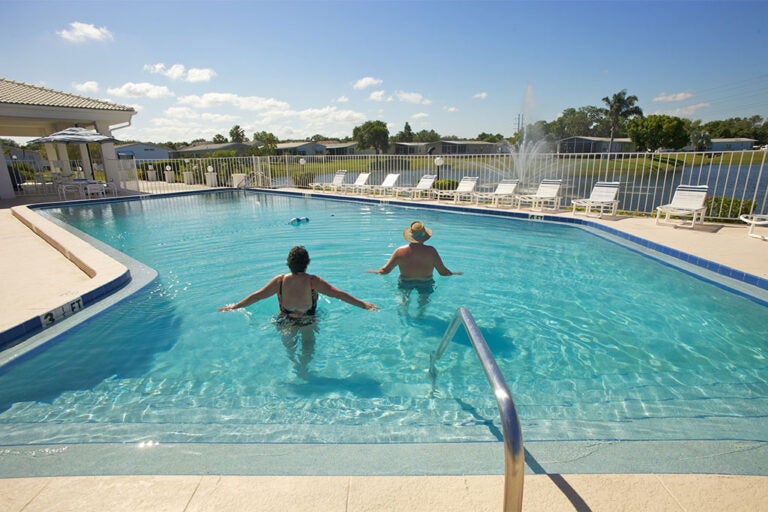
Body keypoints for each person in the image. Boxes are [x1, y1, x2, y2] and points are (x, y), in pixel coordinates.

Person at [219, 246, 377, 377]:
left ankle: (293, 364)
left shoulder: (279, 281)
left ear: (288, 264)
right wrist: (363, 304)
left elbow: (257, 296)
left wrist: (235, 306)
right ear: (307, 264)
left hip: (285, 321)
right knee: (308, 345)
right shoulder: (312, 281)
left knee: (289, 346)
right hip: (308, 320)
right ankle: (303, 368)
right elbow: (339, 294)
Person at [367, 221, 462, 305]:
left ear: (410, 236)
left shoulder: (399, 251)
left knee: (404, 302)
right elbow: (443, 272)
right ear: (425, 237)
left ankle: (404, 314)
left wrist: (375, 271)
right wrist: (454, 273)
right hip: (426, 282)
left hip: (405, 282)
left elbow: (385, 270)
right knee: (423, 303)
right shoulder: (431, 251)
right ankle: (420, 315)